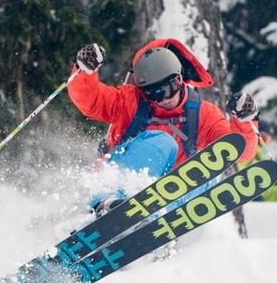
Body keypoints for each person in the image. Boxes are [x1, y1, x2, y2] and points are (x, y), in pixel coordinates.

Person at [70, 38, 260, 214]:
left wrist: (244, 122)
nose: (163, 99)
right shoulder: (129, 100)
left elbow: (236, 150)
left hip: (166, 200)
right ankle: (111, 205)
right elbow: (91, 100)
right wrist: (84, 71)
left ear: (178, 80)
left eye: (167, 90)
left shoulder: (204, 114)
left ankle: (152, 224)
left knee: (206, 172)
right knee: (163, 141)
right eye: (154, 94)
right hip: (114, 183)